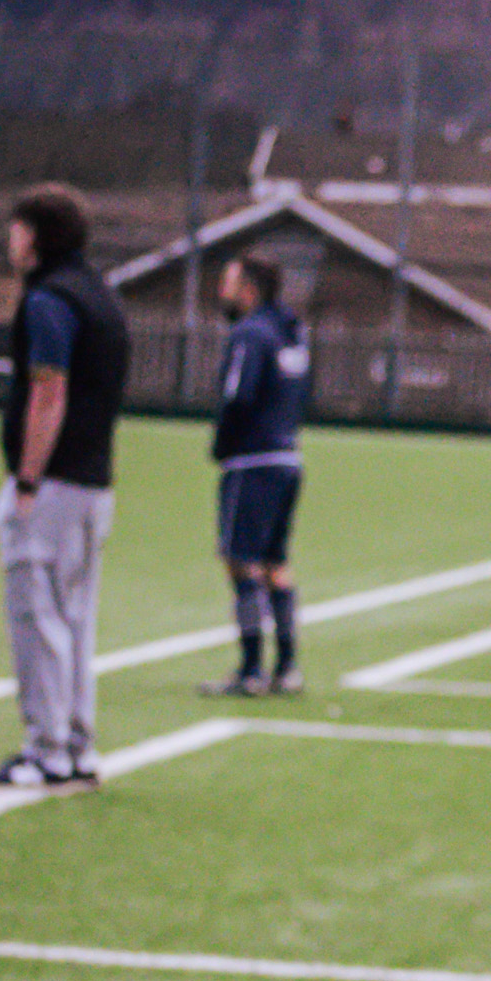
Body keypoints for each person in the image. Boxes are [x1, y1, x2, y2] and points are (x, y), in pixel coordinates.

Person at [0, 186, 130, 791]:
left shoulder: (49, 300)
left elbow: (48, 391)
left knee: (38, 618)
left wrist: (27, 478)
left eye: (16, 228)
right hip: (93, 482)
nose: (9, 240)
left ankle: (47, 752)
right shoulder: (101, 295)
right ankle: (76, 746)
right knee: (75, 621)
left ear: (36, 235)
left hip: (54, 484)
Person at [199, 252, 312, 697]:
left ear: (248, 290)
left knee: (240, 560)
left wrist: (222, 444)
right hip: (288, 458)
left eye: (227, 283)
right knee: (275, 563)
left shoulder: (249, 333)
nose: (221, 291)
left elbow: (238, 396)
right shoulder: (292, 332)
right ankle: (287, 667)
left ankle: (250, 671)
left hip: (252, 461)